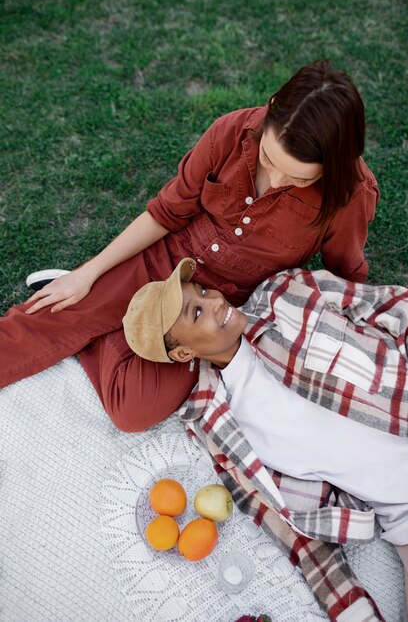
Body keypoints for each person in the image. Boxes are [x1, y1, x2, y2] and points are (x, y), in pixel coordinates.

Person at [0, 60, 379, 432]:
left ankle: (107, 328)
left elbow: (343, 276)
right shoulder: (230, 131)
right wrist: (88, 274)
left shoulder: (349, 194)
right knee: (42, 321)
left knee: (134, 409)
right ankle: (109, 312)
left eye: (297, 179)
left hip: (214, 308)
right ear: (273, 106)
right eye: (268, 158)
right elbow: (166, 213)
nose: (277, 179)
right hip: (164, 259)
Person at [123, 257, 408, 622]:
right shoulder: (217, 424)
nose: (215, 300)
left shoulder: (286, 293)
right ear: (184, 353)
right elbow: (287, 526)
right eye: (195, 313)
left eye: (201, 290)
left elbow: (397, 306)